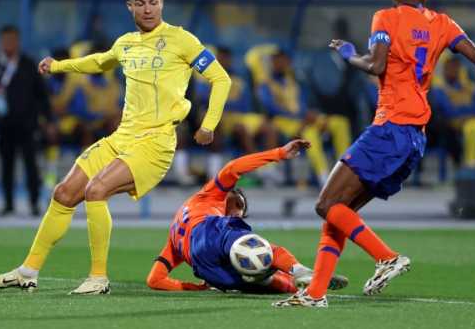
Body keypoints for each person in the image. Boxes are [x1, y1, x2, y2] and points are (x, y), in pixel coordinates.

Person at [274, 0, 475, 308]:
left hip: (390, 128)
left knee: (325, 205)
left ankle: (387, 257)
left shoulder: (384, 16)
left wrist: (346, 54)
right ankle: (315, 294)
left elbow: (376, 66)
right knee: (340, 213)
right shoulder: (443, 24)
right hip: (414, 138)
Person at [0, 0, 232, 295]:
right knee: (64, 193)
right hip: (122, 137)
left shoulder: (182, 40)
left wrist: (208, 124)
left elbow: (220, 79)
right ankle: (27, 271)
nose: (148, 9)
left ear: (162, 3)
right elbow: (100, 61)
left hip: (155, 143)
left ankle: (98, 277)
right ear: (130, 7)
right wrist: (59, 66)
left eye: (153, 1)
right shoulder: (126, 43)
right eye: (140, 3)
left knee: (96, 190)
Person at [146, 139, 347, 293]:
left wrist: (194, 288)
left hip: (209, 271)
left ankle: (302, 284)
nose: (236, 211)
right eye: (236, 203)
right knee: (263, 251)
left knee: (261, 281)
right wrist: (278, 153)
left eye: (240, 208)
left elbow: (155, 279)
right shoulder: (211, 196)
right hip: (208, 231)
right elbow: (233, 168)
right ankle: (299, 270)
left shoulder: (175, 237)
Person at [0, 25, 55, 217]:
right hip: (3, 126)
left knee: (31, 165)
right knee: (6, 165)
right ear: (1, 42)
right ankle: (9, 204)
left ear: (17, 41)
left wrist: (49, 120)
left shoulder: (28, 64)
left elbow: (42, 95)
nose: (9, 44)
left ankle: (34, 203)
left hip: (28, 125)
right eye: (6, 40)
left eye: (12, 40)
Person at [254, 48, 351, 186]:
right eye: (276, 60)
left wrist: (312, 114)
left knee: (340, 123)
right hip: (284, 122)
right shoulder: (265, 84)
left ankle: (343, 169)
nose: (280, 63)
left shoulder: (294, 80)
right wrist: (300, 116)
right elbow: (271, 108)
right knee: (309, 134)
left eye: (283, 60)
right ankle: (323, 176)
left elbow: (305, 103)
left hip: (305, 118)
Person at [195, 46, 279, 180]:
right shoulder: (206, 77)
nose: (223, 61)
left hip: (238, 115)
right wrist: (225, 105)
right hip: (220, 116)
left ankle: (269, 168)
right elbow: (202, 98)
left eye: (226, 59)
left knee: (269, 128)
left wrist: (223, 103)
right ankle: (257, 168)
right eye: (219, 58)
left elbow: (244, 103)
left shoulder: (238, 79)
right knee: (238, 128)